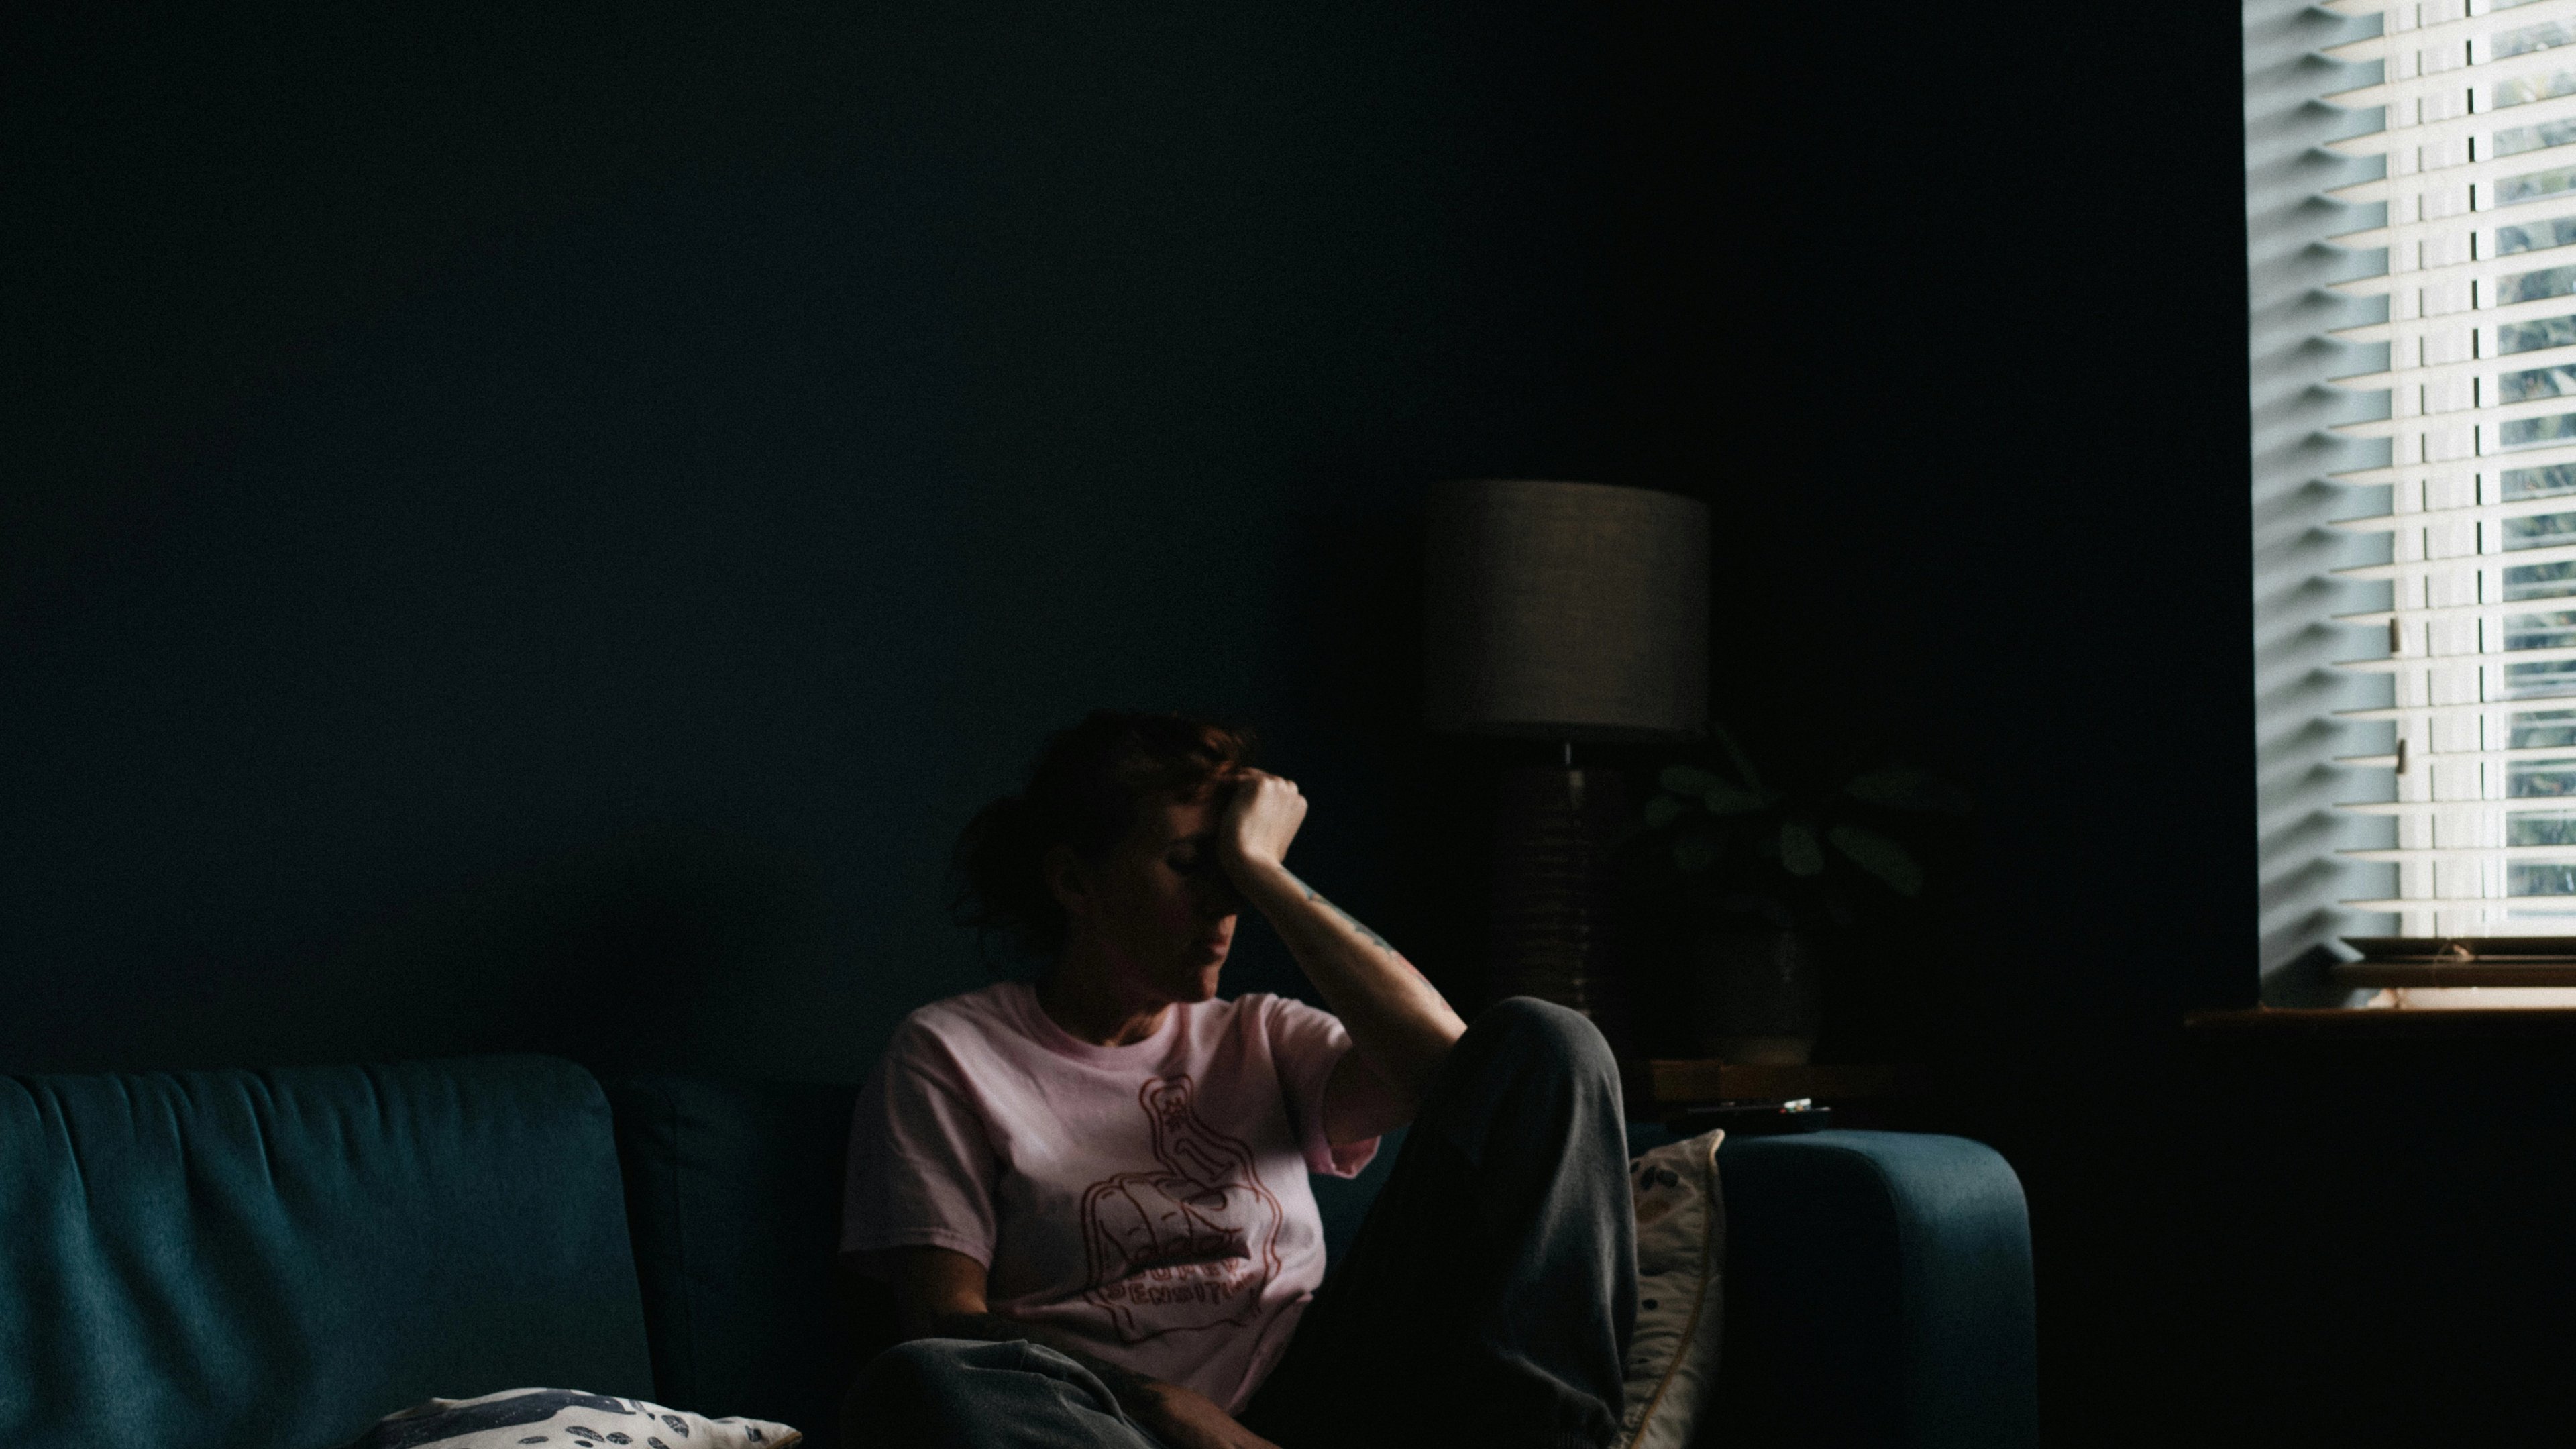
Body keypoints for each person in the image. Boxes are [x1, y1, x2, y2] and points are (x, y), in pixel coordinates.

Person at [839, 712, 1635, 1449]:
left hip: (1327, 1393)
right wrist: (1166, 1405)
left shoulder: (1260, 1033)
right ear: (1074, 884)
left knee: (1549, 1038)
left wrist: (1265, 870)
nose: (1224, 906)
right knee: (924, 1382)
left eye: (1234, 876)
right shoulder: (949, 1053)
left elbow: (1459, 1071)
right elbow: (944, 1320)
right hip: (1117, 1423)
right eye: (1192, 866)